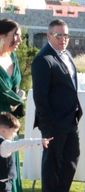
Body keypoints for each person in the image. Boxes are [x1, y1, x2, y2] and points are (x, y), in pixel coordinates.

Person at [31, 19, 82, 192]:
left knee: (71, 161)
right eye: (58, 35)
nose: (63, 39)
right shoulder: (43, 59)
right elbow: (40, 97)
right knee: (52, 166)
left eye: (66, 35)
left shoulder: (66, 55)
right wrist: (47, 127)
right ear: (48, 35)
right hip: (54, 124)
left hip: (71, 120)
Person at [0, 19, 26, 192]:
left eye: (20, 35)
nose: (19, 40)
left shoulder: (13, 57)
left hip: (11, 120)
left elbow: (14, 87)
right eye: (15, 35)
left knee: (10, 166)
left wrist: (18, 99)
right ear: (1, 36)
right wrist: (18, 100)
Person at [0, 112, 52, 191]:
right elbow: (22, 143)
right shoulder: (5, 145)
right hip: (3, 186)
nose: (15, 135)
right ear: (3, 130)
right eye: (14, 131)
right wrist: (40, 141)